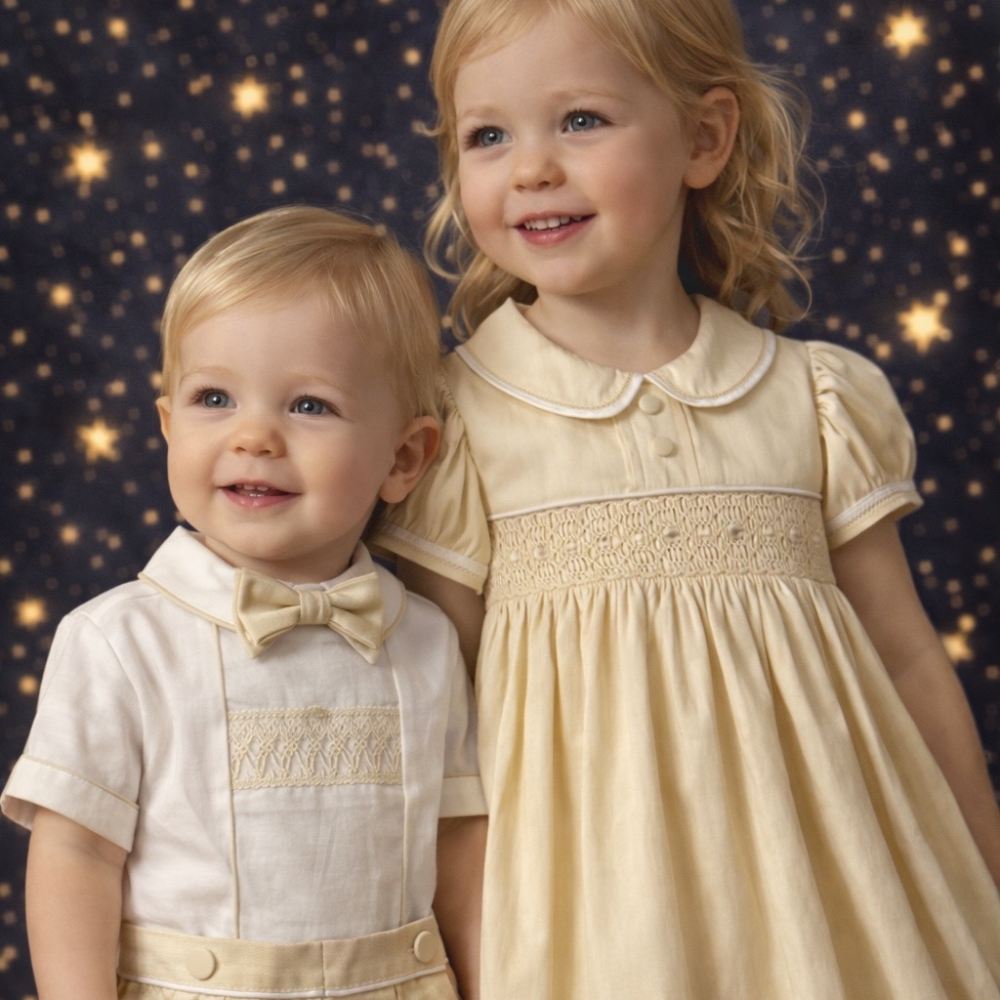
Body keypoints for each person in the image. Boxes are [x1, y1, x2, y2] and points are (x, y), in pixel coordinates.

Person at [370, 2, 1000, 998]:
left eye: (580, 119)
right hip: (588, 922)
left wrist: (982, 875)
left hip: (828, 909)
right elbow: (437, 732)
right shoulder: (455, 422)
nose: (530, 166)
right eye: (488, 134)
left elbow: (908, 656)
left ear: (702, 139)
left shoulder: (810, 396)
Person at [2, 206, 487, 1000]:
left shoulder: (425, 640)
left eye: (308, 406)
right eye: (214, 399)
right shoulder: (119, 641)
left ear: (404, 459)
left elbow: (460, 846)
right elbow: (76, 855)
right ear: (167, 426)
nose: (254, 436)